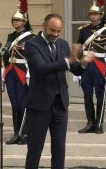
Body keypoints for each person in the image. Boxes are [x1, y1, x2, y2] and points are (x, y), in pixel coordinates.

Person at [24, 13, 94, 169]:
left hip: (60, 105)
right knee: (35, 149)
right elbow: (42, 68)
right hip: (39, 105)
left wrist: (83, 62)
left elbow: (75, 70)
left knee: (59, 149)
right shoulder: (32, 45)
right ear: (44, 26)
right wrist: (68, 61)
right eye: (52, 30)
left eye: (58, 31)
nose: (55, 34)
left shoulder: (62, 44)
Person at [76, 4, 106, 134]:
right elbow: (79, 49)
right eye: (91, 14)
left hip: (99, 65)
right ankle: (90, 122)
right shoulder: (83, 30)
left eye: (95, 14)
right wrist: (76, 69)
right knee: (87, 95)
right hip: (86, 66)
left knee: (100, 95)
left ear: (101, 15)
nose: (92, 16)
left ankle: (99, 123)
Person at [2, 0, 35, 145]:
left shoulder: (31, 37)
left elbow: (32, 57)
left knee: (23, 104)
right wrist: (2, 70)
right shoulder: (10, 37)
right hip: (11, 72)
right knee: (14, 104)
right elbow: (6, 54)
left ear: (24, 21)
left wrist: (30, 73)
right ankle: (17, 133)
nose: (15, 23)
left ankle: (26, 133)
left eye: (18, 20)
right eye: (13, 20)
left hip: (23, 72)